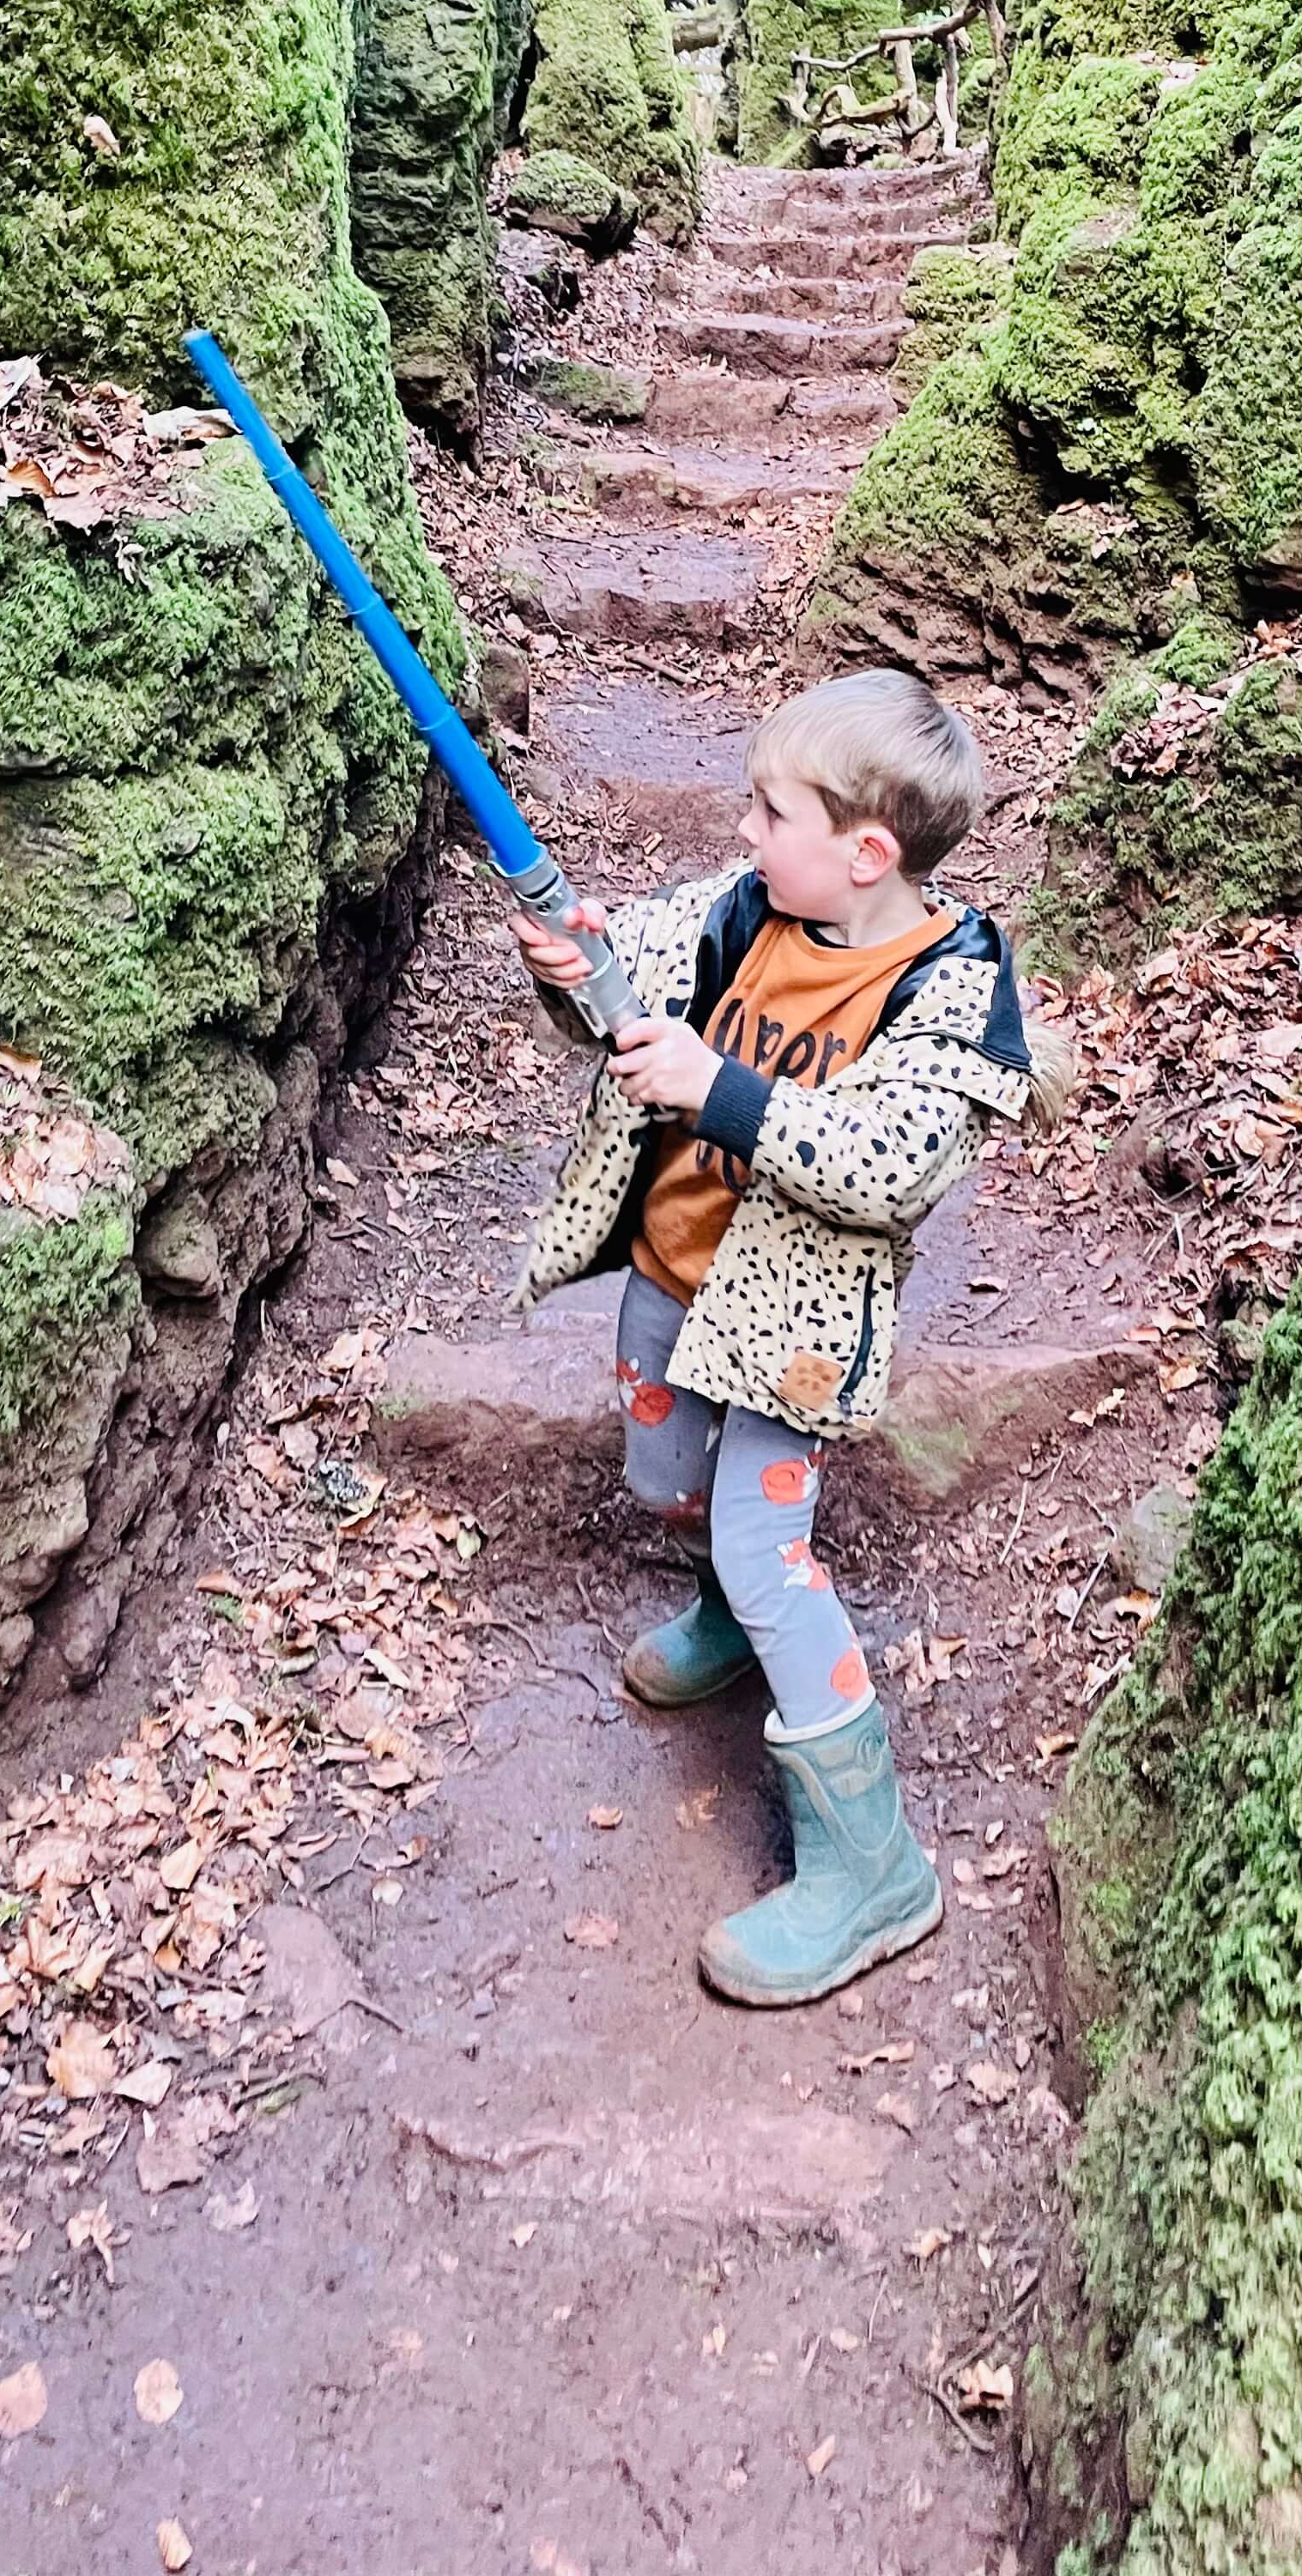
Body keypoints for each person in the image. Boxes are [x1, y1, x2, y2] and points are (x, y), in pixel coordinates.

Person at [508, 665, 1048, 2006]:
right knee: (673, 1484)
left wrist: (722, 1088)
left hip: (795, 1326)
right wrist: (585, 963)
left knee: (769, 1543)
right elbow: (631, 991)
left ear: (867, 853)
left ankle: (875, 1865)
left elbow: (888, 1162)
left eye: (769, 811)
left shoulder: (950, 987)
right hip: (673, 1270)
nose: (743, 833)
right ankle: (729, 1613)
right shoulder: (749, 910)